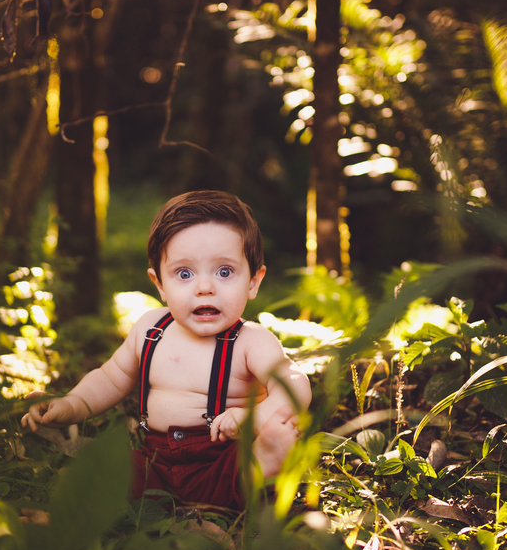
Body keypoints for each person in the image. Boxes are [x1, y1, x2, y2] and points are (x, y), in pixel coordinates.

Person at [22, 191, 311, 509]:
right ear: (159, 284)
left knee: (267, 446)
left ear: (254, 282)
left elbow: (294, 383)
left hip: (224, 461)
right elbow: (110, 377)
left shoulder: (251, 341)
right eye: (184, 274)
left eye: (224, 272)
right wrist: (72, 405)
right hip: (156, 463)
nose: (204, 287)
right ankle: (62, 519)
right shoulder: (150, 329)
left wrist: (256, 419)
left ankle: (263, 464)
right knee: (107, 473)